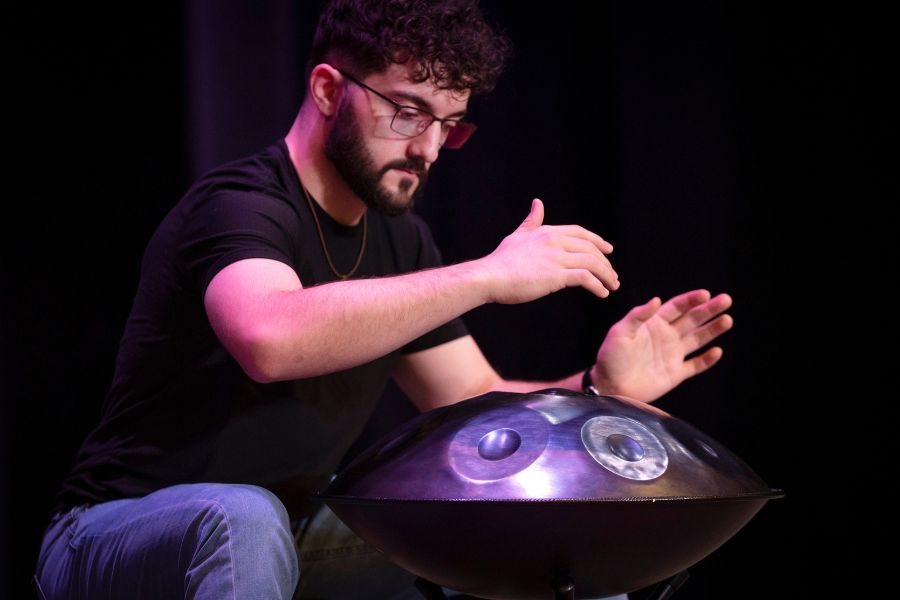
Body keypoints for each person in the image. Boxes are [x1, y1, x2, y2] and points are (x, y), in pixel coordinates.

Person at [34, 1, 734, 599]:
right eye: (408, 113)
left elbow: (473, 400)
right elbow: (269, 339)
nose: (429, 149)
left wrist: (599, 391)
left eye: (449, 125)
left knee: (528, 524)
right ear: (328, 90)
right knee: (241, 518)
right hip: (110, 537)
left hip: (293, 534)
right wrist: (487, 275)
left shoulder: (401, 239)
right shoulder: (241, 204)